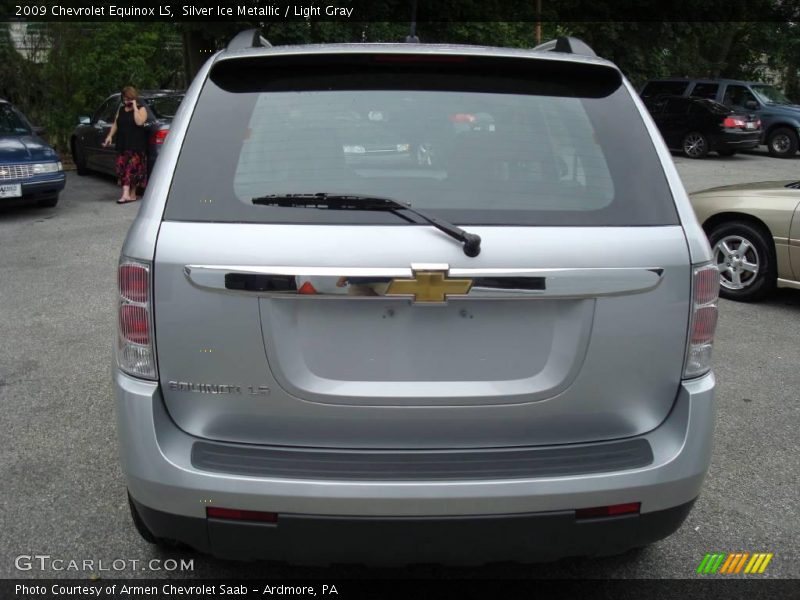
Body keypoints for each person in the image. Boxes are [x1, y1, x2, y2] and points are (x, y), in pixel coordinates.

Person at [103, 86, 148, 204]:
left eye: (128, 98)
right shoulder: (121, 110)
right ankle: (132, 195)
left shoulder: (141, 109)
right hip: (123, 144)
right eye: (124, 98)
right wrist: (110, 136)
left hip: (136, 146)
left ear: (133, 98)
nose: (126, 101)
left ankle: (125, 195)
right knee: (123, 169)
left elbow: (139, 122)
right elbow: (116, 124)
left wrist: (134, 107)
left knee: (131, 170)